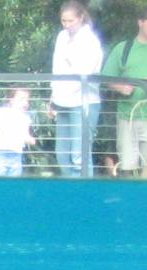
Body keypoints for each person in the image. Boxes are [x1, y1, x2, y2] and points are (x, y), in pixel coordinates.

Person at [51, 1, 105, 176]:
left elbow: (85, 72)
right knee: (62, 154)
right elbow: (56, 70)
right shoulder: (61, 37)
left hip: (84, 102)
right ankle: (69, 193)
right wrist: (53, 98)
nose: (67, 25)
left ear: (81, 18)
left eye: (70, 21)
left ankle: (84, 194)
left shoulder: (90, 41)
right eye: (63, 21)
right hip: (62, 100)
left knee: (79, 155)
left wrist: (69, 55)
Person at [103, 5, 147, 177]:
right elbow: (107, 77)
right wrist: (121, 87)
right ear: (140, 23)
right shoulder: (123, 49)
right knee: (127, 166)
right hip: (127, 116)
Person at [0, 86, 38, 175]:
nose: (25, 103)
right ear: (11, 100)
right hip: (2, 153)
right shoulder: (2, 112)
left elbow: (26, 135)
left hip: (17, 155)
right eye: (21, 99)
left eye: (27, 100)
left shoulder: (25, 118)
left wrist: (31, 140)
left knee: (14, 180)